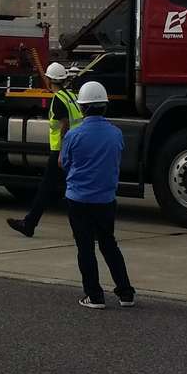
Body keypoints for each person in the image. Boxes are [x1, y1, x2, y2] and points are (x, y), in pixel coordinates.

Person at [60, 80, 135, 309]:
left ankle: (94, 295)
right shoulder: (116, 134)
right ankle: (125, 293)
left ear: (82, 108)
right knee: (109, 244)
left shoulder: (74, 135)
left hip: (79, 199)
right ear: (104, 106)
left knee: (85, 247)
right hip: (105, 199)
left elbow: (64, 163)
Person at [7, 62, 82, 238]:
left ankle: (29, 224)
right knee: (69, 189)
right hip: (75, 149)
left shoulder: (58, 100)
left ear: (49, 81)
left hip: (61, 152)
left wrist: (62, 153)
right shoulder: (71, 96)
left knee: (52, 189)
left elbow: (65, 126)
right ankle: (30, 223)